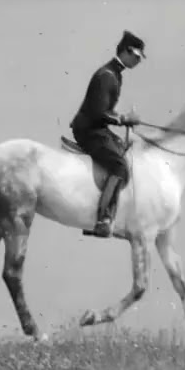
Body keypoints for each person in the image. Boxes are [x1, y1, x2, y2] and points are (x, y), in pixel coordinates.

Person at [69, 30, 146, 238]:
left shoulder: (115, 74)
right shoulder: (107, 76)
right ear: (126, 52)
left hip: (97, 128)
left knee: (123, 150)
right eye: (136, 57)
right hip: (88, 130)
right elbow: (98, 112)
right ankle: (103, 219)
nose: (138, 61)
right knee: (119, 166)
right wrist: (123, 119)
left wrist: (122, 118)